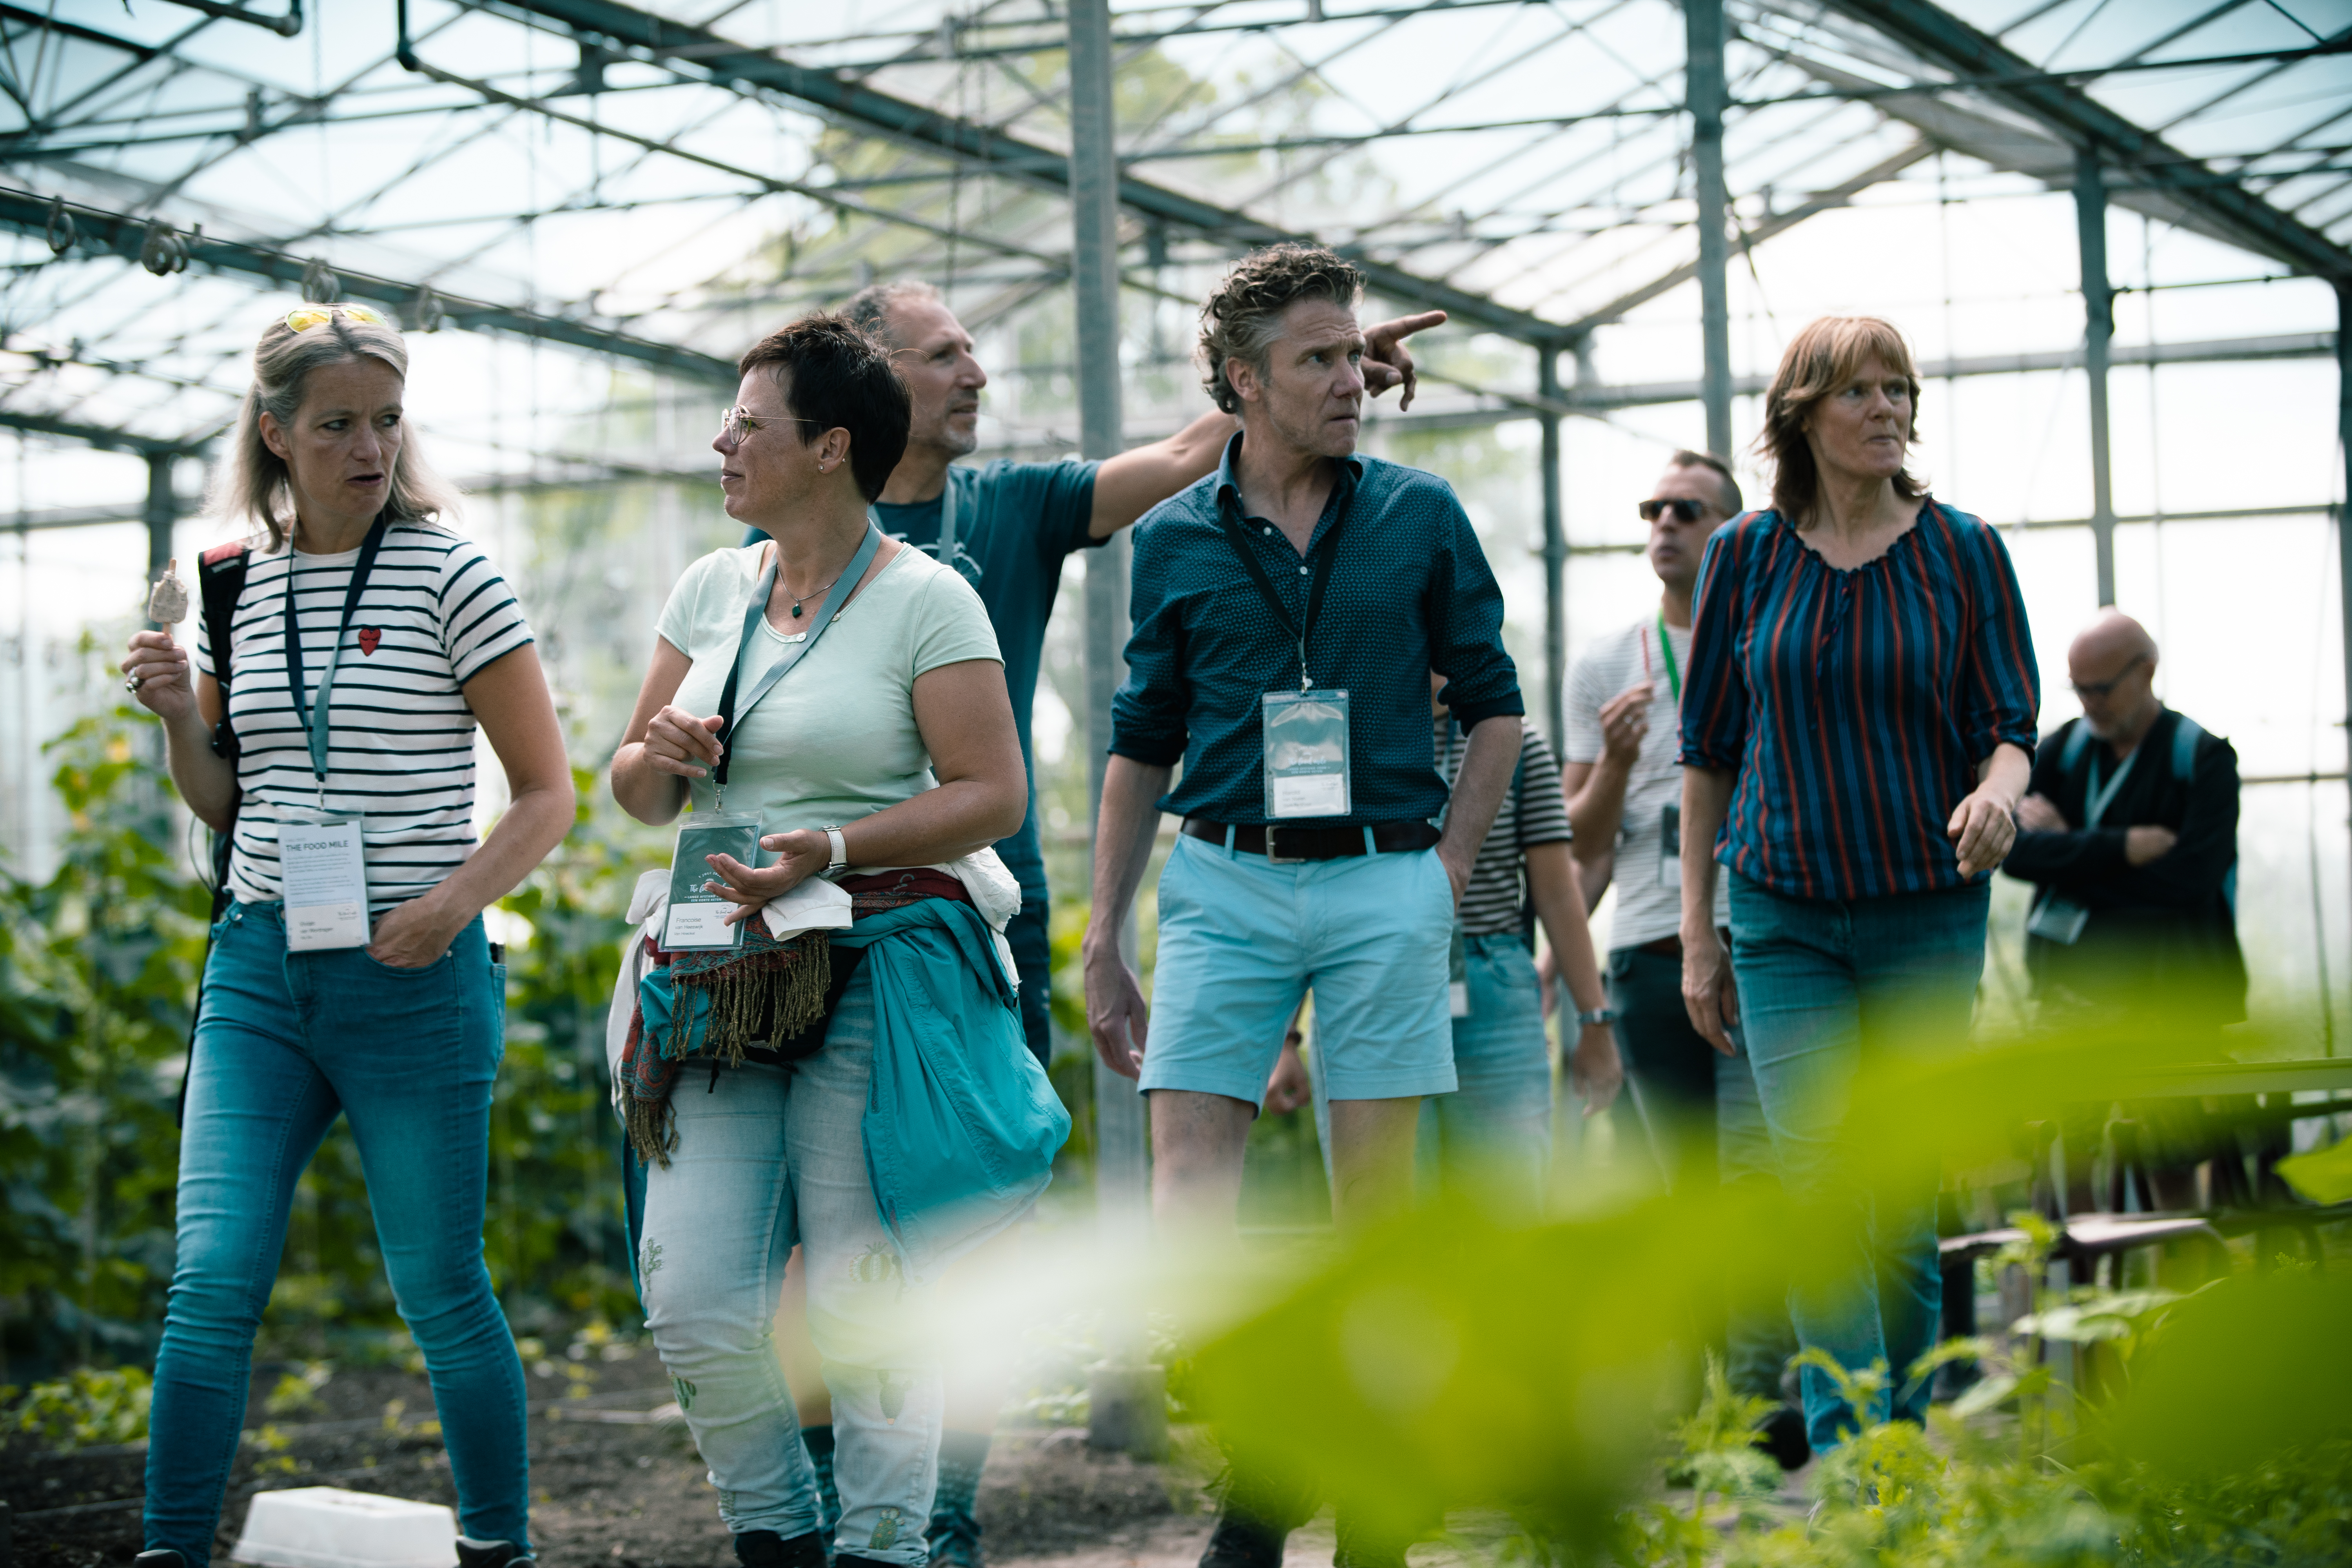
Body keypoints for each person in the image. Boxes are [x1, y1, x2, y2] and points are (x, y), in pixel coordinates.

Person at [789, 281, 1444, 1568]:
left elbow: (1196, 453)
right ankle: (826, 1497)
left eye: (977, 350)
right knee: (809, 1233)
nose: (976, 374)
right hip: (809, 917)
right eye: (944, 356)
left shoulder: (1014, 509)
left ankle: (942, 1518)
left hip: (977, 920)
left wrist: (1320, 371)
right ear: (865, 380)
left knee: (968, 1220)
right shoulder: (804, 523)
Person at [1085, 244, 1523, 1568]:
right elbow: (1141, 738)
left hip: (1388, 870)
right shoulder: (1170, 539)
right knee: (1189, 1171)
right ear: (1242, 383)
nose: (1354, 377)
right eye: (1319, 360)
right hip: (1222, 876)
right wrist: (1106, 934)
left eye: (1356, 354)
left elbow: (1496, 708)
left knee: (1373, 1217)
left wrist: (1440, 872)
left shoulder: (1421, 513)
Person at [120, 304, 574, 1568]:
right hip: (262, 968)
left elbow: (548, 796)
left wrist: (446, 909)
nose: (369, 447)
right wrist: (176, 722)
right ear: (275, 435)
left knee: (441, 1292)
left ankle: (498, 1552)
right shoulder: (231, 584)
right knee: (208, 1286)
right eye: (336, 425)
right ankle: (169, 1550)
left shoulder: (454, 575)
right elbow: (232, 796)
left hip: (414, 979)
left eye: (385, 419)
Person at [610, 314, 1058, 1568]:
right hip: (719, 976)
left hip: (866, 970)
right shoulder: (711, 587)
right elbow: (634, 792)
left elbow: (993, 793)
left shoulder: (928, 596)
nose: (723, 441)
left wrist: (836, 847)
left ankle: (882, 1547)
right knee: (693, 1295)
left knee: (864, 1300)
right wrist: (659, 754)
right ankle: (778, 1537)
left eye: (748, 424)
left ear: (829, 449)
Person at [1675, 316, 2039, 1452]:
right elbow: (1709, 751)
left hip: (1926, 909)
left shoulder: (1965, 550)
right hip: (1781, 913)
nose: (1888, 408)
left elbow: (2010, 728)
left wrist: (2000, 794)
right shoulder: (1744, 554)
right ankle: (1851, 1463)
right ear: (1802, 416)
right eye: (1860, 392)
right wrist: (1698, 932)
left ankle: (1903, 1436)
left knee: (1895, 1201)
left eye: (1901, 389)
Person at [1559, 451, 1805, 1464]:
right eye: (1652, 509)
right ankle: (1704, 1400)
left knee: (1760, 1180)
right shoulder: (1606, 663)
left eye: (1688, 510)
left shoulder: (1773, 647)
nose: (1665, 524)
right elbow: (1583, 838)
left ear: (1733, 531)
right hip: (1652, 956)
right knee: (1683, 1190)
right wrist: (1616, 763)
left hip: (1769, 948)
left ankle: (1757, 1402)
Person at [1265, 677, 1623, 1210]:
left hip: (1492, 992)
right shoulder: (1340, 739)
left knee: (1508, 1216)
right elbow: (1308, 892)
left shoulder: (1516, 742)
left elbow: (1557, 892)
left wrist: (1594, 1022)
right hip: (1368, 987)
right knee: (1383, 1217)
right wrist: (1284, 1038)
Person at [2007, 611, 2245, 1208]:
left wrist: (2073, 852)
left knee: (2173, 1161)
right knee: (2072, 1161)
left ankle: (2181, 1297)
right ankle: (2081, 1296)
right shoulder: (2059, 752)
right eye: (2078, 689)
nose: (2090, 703)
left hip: (2171, 1000)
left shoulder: (2204, 760)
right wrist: (2123, 847)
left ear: (2147, 672)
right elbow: (2016, 853)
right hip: (2070, 999)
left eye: (2102, 688)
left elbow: (2190, 881)